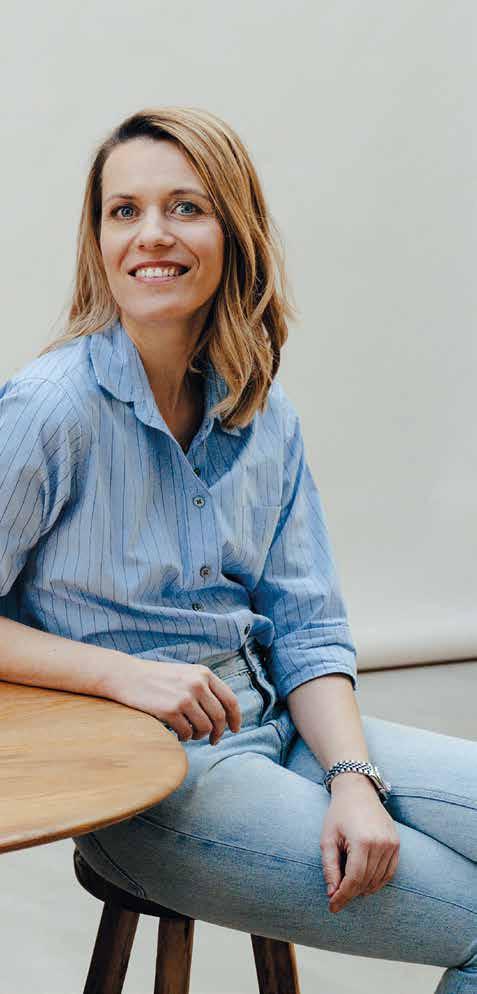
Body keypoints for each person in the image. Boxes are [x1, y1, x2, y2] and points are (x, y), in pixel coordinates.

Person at [0, 107, 475, 994]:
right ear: (98, 240)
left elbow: (306, 623)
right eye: (124, 210)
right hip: (144, 779)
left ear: (234, 230)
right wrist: (125, 675)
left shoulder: (261, 409)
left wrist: (351, 777)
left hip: (281, 723)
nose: (151, 234)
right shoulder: (49, 409)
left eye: (185, 207)